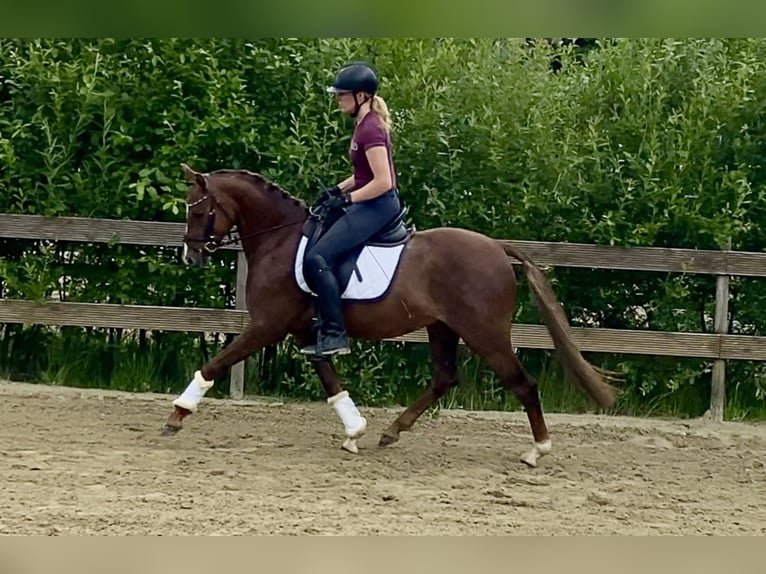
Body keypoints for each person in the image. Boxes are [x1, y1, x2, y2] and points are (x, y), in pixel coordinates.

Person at [301, 62, 402, 357]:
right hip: (369, 200)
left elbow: (383, 181)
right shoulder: (363, 123)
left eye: (342, 94)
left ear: (361, 96)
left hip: (378, 206)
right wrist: (338, 189)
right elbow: (363, 175)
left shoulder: (370, 129)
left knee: (318, 258)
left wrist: (348, 200)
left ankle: (334, 333)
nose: (337, 99)